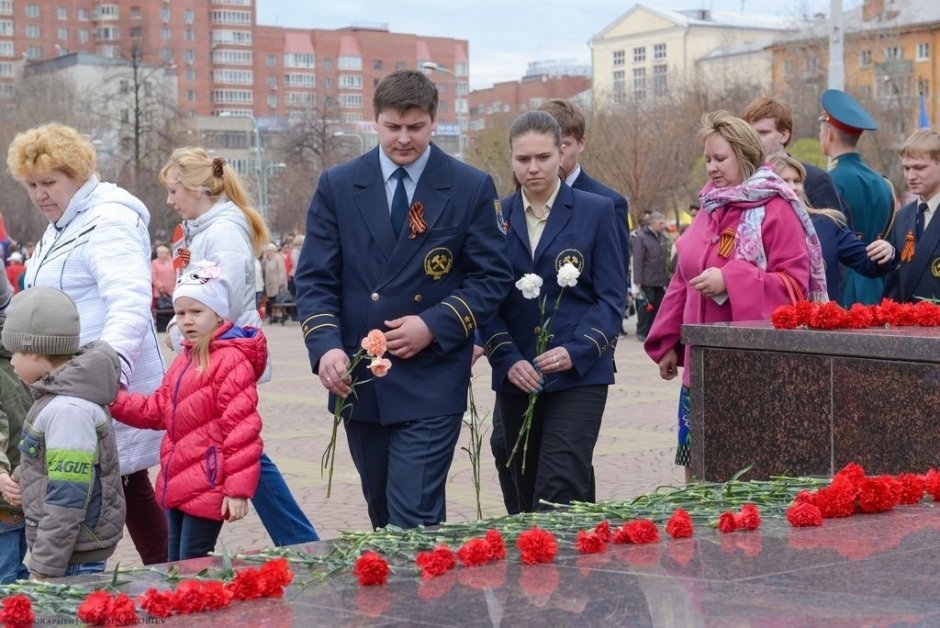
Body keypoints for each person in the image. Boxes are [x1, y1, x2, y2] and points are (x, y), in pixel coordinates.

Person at [295, 69, 513, 530]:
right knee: (383, 516)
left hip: (431, 377)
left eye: (415, 127)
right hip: (361, 376)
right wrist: (326, 348)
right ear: (374, 121)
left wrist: (434, 323)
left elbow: (492, 278)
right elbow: (315, 278)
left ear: (434, 122)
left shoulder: (469, 186)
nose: (403, 139)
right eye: (393, 127)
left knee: (412, 519)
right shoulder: (339, 185)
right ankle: (412, 601)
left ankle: (423, 600)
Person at [6, 123, 166, 565]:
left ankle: (136, 572)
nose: (39, 194)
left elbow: (130, 301)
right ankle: (169, 572)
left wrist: (109, 368)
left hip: (96, 380)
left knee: (106, 486)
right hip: (71, 379)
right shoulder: (62, 224)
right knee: (126, 486)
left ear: (76, 174)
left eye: (49, 183)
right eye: (32, 185)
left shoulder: (107, 219)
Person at [645, 111, 826, 480]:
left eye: (720, 158)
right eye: (708, 159)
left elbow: (795, 286)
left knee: (746, 472)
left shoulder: (776, 207)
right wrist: (667, 341)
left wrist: (732, 280)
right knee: (698, 467)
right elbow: (684, 276)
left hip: (754, 369)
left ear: (744, 155)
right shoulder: (710, 205)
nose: (711, 168)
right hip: (702, 362)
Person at [158, 147, 319, 546]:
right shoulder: (207, 228)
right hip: (215, 352)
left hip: (222, 355)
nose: (170, 199)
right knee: (239, 445)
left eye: (174, 189)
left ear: (196, 189)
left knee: (240, 445)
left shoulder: (222, 231)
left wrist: (179, 332)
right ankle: (298, 538)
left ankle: (297, 539)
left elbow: (220, 303)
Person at [479, 110, 625, 512]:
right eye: (523, 159)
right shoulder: (495, 218)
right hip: (518, 373)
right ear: (511, 160)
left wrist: (576, 350)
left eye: (542, 157)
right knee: (522, 485)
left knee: (561, 484)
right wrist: (505, 358)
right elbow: (485, 299)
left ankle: (567, 570)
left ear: (561, 154)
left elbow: (611, 298)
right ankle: (540, 563)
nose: (533, 168)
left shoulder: (597, 211)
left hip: (579, 372)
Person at [110, 263, 264, 561]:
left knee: (192, 563)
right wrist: (112, 399)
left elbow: (243, 432)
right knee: (176, 563)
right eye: (181, 314)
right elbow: (157, 410)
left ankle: (199, 607)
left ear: (218, 314)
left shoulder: (231, 361)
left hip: (208, 482)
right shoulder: (184, 360)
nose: (187, 321)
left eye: (197, 312)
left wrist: (238, 490)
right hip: (178, 480)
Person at [1, 287, 125, 578]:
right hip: (68, 547)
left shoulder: (67, 410)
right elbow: (46, 461)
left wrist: (44, 567)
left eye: (15, 353)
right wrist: (21, 479)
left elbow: (67, 497)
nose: (12, 362)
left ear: (35, 351)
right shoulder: (53, 398)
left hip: (72, 551)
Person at [769, 154, 894, 303]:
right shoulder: (755, 227)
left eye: (797, 181)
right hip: (774, 318)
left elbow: (867, 263)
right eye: (784, 181)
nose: (793, 187)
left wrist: (887, 251)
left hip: (822, 319)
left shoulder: (826, 223)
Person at [819, 89, 895, 306]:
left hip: (842, 289)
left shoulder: (828, 182)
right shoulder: (884, 183)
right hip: (878, 285)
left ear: (829, 134)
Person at [742, 97, 843, 211]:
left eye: (763, 133)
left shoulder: (815, 181)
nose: (755, 139)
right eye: (750, 133)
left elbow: (831, 227)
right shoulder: (741, 178)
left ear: (784, 135)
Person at [0, 278, 32, 582]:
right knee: (13, 569)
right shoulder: (25, 348)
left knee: (6, 574)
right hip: (19, 480)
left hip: (6, 486)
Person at [884, 128, 940, 303]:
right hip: (906, 325)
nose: (910, 176)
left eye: (919, 168)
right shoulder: (902, 217)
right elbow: (894, 284)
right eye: (906, 168)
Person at [633, 211, 669, 340]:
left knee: (658, 306)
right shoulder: (641, 237)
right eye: (661, 223)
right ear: (653, 223)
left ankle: (652, 332)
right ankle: (641, 331)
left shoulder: (661, 237)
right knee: (647, 306)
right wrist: (637, 280)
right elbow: (637, 259)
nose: (663, 225)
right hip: (646, 279)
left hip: (659, 279)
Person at [151, 244, 177, 332]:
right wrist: (161, 287)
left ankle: (172, 330)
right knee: (162, 312)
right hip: (160, 293)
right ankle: (162, 330)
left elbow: (176, 274)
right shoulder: (154, 263)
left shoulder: (173, 262)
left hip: (173, 291)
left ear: (167, 253)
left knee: (173, 311)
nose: (161, 255)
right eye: (159, 253)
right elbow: (153, 277)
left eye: (163, 253)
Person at [262, 243, 288, 324]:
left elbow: (282, 271)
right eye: (267, 250)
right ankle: (274, 315)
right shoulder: (266, 260)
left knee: (277, 299)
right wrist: (264, 260)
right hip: (269, 284)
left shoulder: (278, 258)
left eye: (269, 250)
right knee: (271, 300)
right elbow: (262, 270)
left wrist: (281, 282)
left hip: (277, 283)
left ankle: (279, 314)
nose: (268, 252)